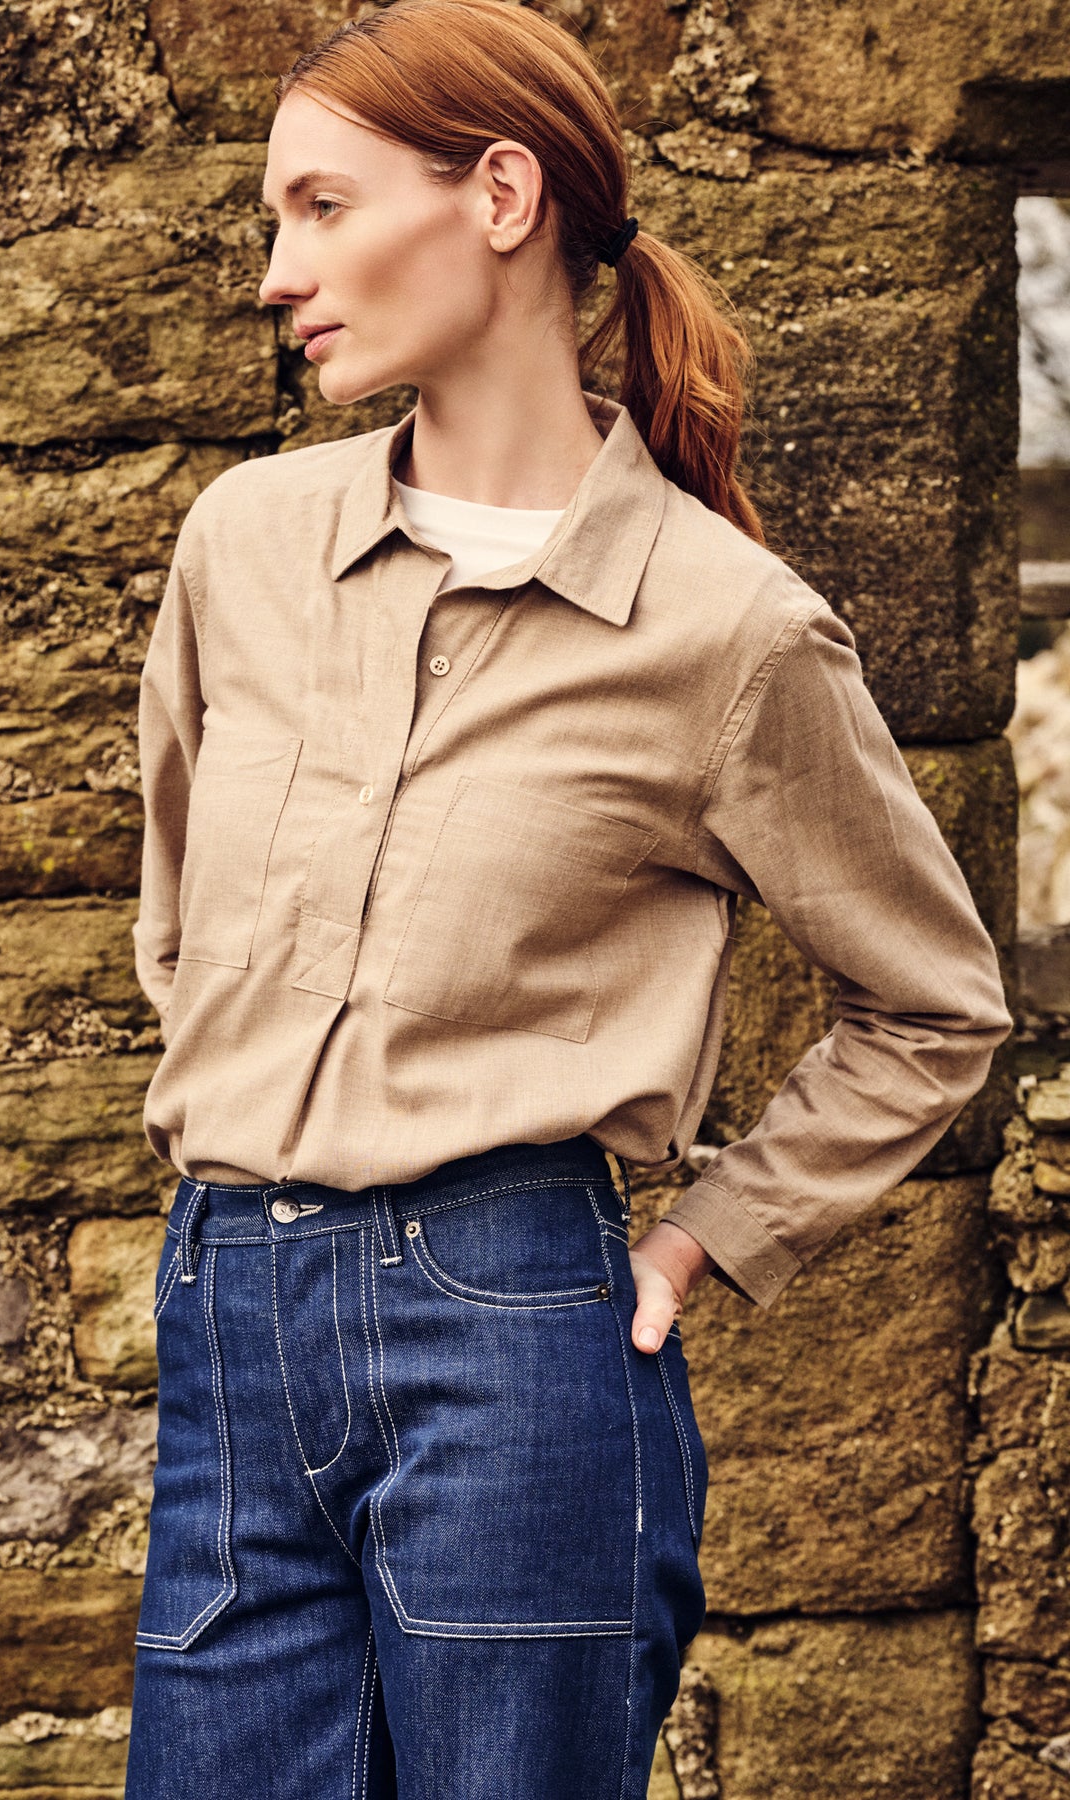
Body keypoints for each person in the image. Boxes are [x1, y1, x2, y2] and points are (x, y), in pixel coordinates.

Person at [123, 0, 1012, 1793]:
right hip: (229, 1309)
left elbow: (933, 1006)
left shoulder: (727, 631)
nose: (277, 269)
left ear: (503, 194)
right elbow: (176, 920)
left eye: (317, 206)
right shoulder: (243, 545)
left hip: (517, 1337)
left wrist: (709, 1235)